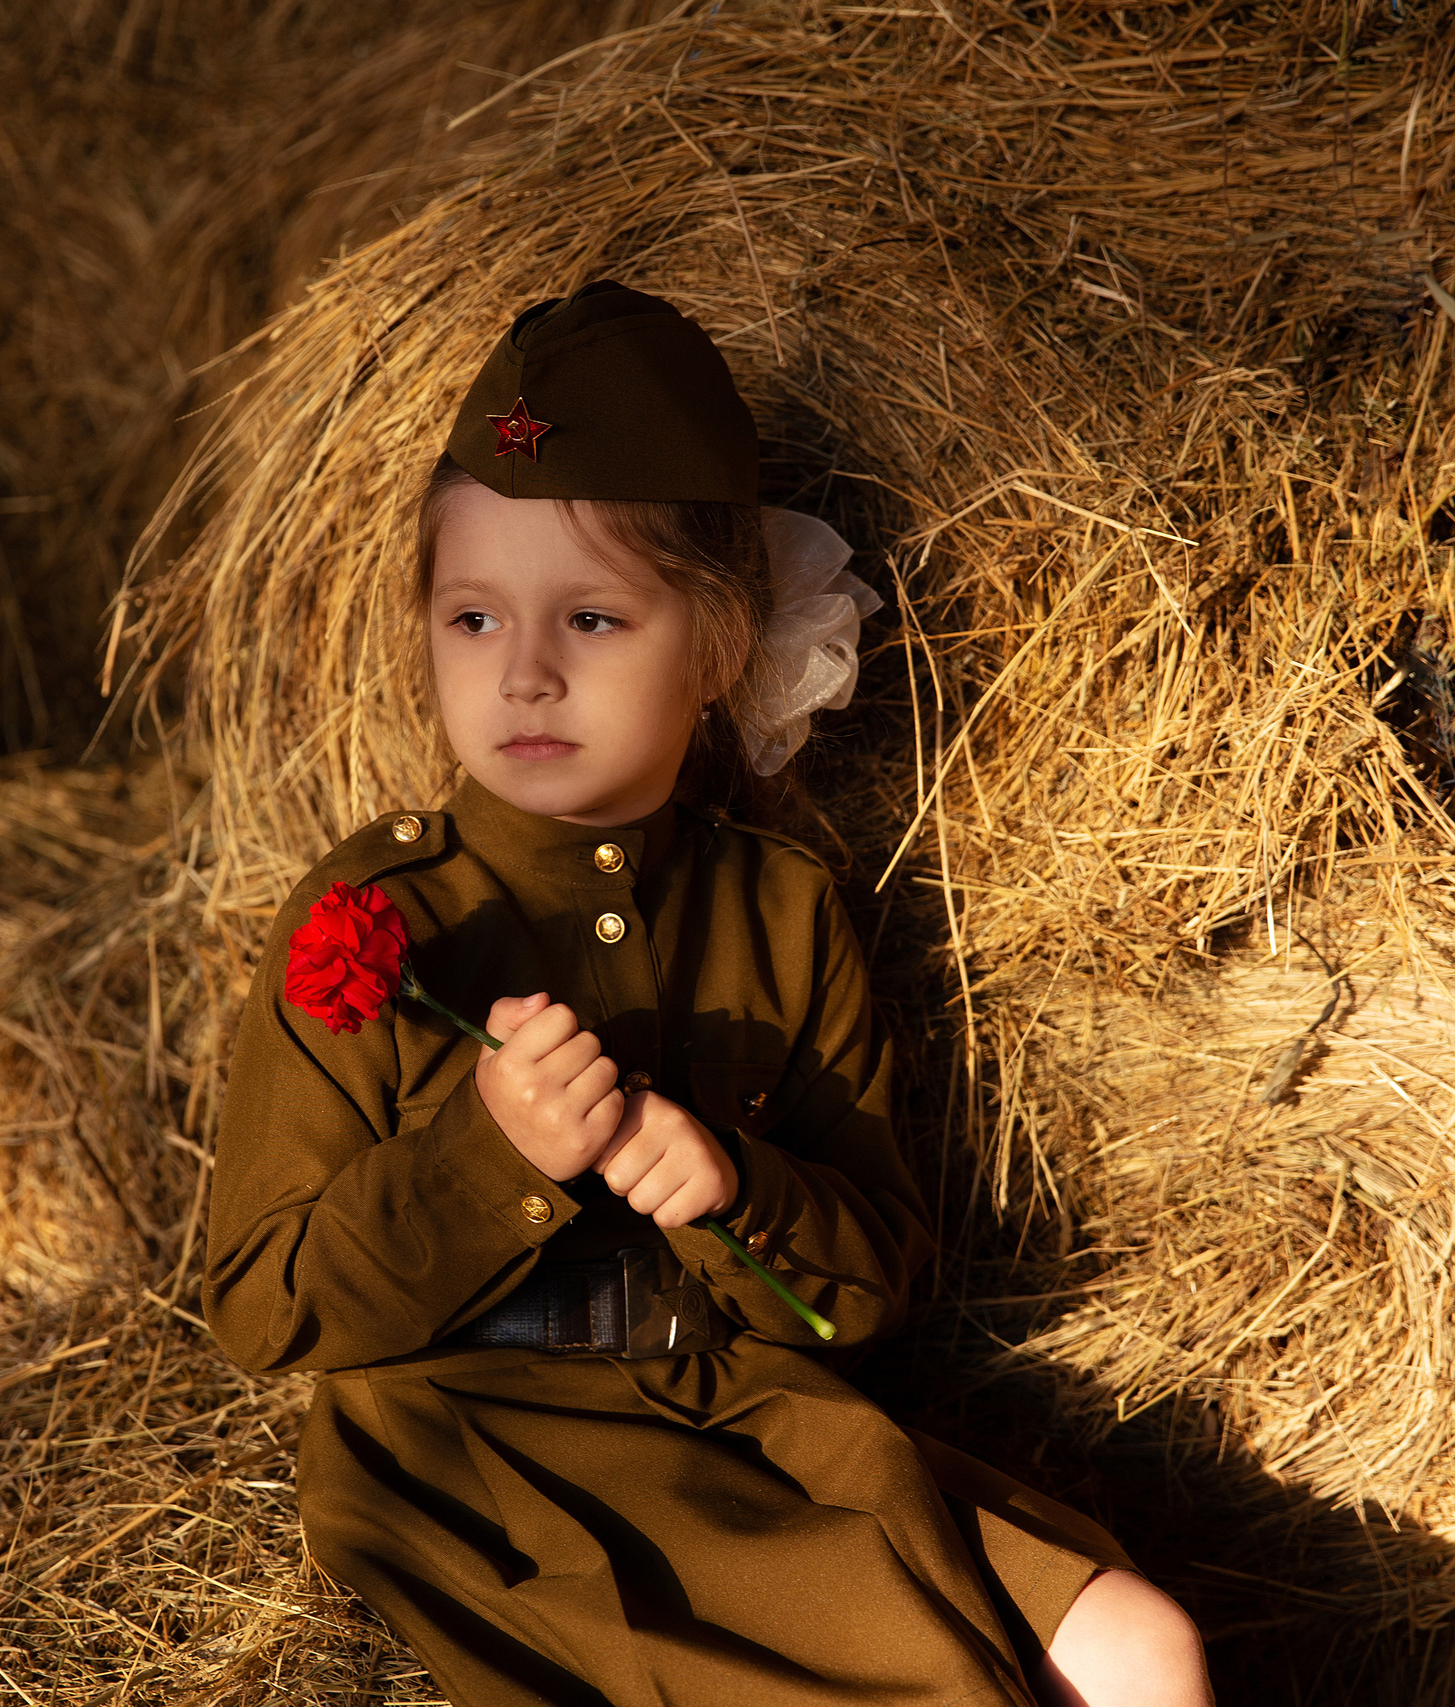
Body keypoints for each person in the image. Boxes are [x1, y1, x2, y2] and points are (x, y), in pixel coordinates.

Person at [203, 281, 1213, 1707]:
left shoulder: (783, 909)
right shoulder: (377, 919)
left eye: (597, 620)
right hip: (494, 1469)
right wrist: (492, 1158)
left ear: (723, 645)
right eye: (474, 617)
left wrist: (733, 1184)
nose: (527, 671)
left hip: (754, 1421)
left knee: (1145, 1649)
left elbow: (868, 1296)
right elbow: (261, 1309)